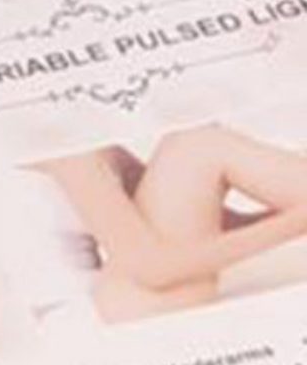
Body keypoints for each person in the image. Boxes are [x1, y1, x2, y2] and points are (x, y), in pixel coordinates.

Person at [35, 124, 307, 323]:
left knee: (195, 141)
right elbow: (155, 271)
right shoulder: (64, 152)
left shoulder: (97, 148)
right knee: (196, 145)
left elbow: (217, 222)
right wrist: (293, 223)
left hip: (119, 298)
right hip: (100, 317)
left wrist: (289, 219)